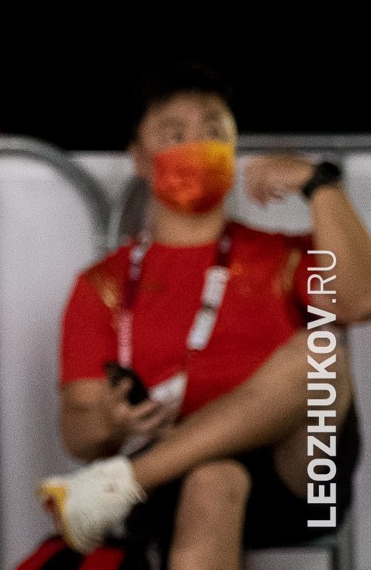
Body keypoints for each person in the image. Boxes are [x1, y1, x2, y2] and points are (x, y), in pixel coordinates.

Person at [41, 63, 371, 563]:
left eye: (214, 131)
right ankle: (127, 480)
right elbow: (78, 431)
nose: (197, 146)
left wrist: (319, 183)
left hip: (300, 481)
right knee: (214, 478)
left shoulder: (284, 255)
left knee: (321, 354)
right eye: (175, 134)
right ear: (138, 158)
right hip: (178, 486)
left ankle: (119, 484)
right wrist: (110, 419)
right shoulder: (103, 286)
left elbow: (358, 300)